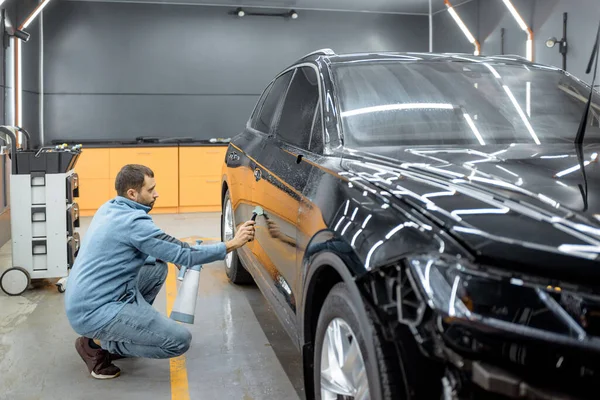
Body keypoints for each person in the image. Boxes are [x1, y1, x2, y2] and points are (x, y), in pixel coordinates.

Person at [64, 164, 255, 379]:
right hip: (93, 310)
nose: (157, 194)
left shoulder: (111, 208)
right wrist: (232, 244)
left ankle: (125, 330)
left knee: (156, 267)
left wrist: (169, 254)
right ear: (132, 194)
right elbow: (187, 254)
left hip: (86, 297)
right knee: (178, 341)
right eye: (150, 190)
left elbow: (137, 247)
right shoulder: (134, 223)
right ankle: (96, 344)